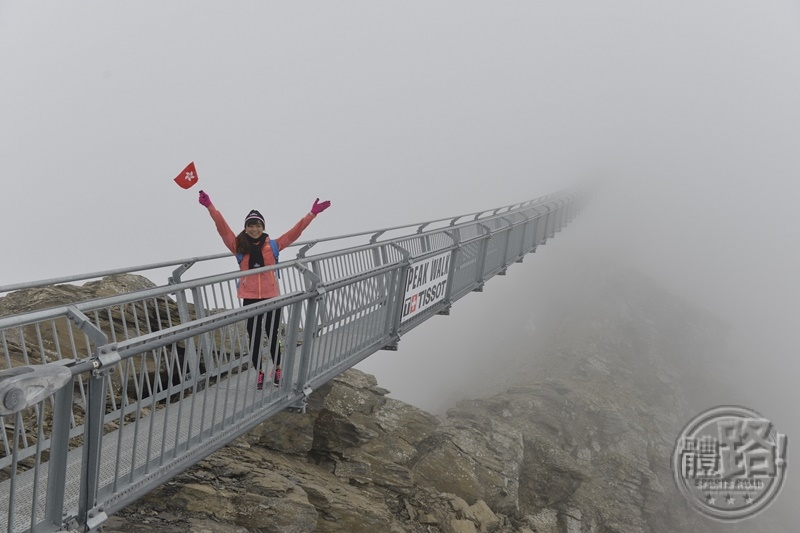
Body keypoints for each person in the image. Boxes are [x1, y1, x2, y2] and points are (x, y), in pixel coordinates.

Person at [198, 190, 331, 389]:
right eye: (251, 226)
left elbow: (295, 233)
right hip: (249, 297)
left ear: (263, 227)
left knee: (273, 334)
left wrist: (311, 214)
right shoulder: (237, 245)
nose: (254, 229)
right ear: (246, 227)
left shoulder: (274, 245)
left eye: (258, 225)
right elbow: (222, 228)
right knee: (255, 336)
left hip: (271, 297)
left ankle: (277, 369)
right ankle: (259, 372)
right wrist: (210, 207)